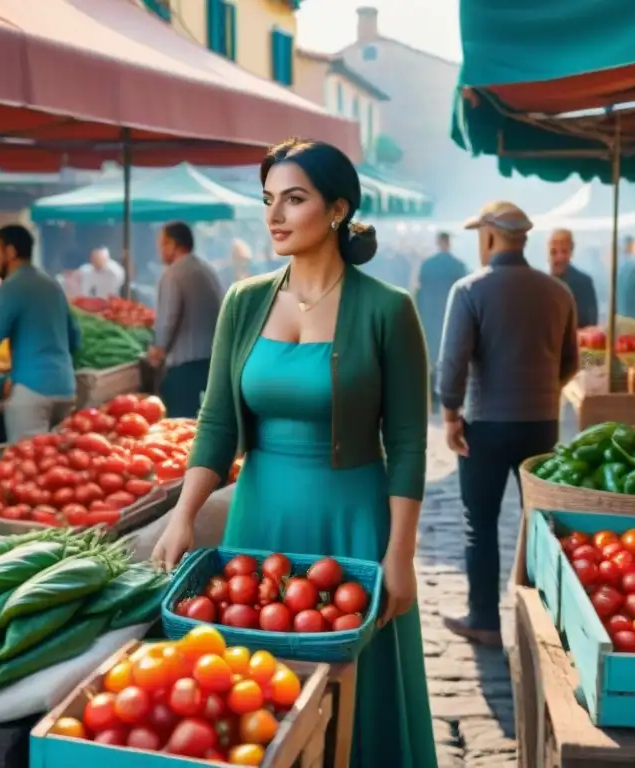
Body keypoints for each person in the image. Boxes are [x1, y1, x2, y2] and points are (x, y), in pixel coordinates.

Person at [152, 138, 437, 767]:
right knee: (259, 696)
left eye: (295, 199)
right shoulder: (244, 301)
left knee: (356, 696)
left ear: (337, 209)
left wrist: (401, 555)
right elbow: (217, 422)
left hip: (353, 525)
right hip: (257, 523)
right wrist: (181, 515)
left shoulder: (390, 310)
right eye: (268, 200)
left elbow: (411, 444)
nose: (275, 215)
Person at [438, 201, 579, 647]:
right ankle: (548, 621)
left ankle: (484, 618)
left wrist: (449, 415)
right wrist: (541, 392)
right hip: (541, 425)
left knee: (480, 521)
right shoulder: (559, 292)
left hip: (485, 425)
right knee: (540, 523)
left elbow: (451, 364)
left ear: (491, 237)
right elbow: (571, 362)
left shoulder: (469, 290)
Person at [0, 225, 81, 441]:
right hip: (66, 390)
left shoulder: (9, 289)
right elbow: (75, 337)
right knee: (57, 466)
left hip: (31, 394)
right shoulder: (52, 286)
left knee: (26, 464)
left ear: (11, 252)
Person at [147, 222, 224, 418]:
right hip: (211, 361)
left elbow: (167, 319)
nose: (159, 251)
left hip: (185, 365)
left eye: (161, 245)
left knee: (180, 423)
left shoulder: (173, 274)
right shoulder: (206, 270)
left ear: (173, 245)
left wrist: (158, 350)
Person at [414, 232, 468, 411]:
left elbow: (419, 292)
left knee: (431, 357)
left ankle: (432, 398)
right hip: (451, 315)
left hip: (430, 315)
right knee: (448, 357)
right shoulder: (458, 266)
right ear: (448, 243)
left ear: (438, 243)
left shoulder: (427, 265)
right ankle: (445, 396)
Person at [548, 228, 599, 328]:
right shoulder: (543, 284)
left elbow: (591, 325)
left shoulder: (584, 283)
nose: (559, 257)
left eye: (564, 251)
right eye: (554, 252)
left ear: (571, 253)